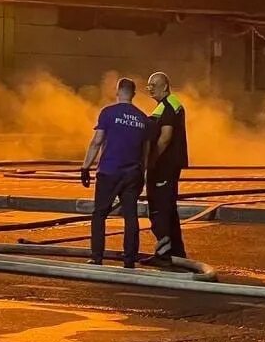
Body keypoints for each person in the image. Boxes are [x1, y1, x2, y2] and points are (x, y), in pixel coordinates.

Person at [80, 77, 149, 268]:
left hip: (109, 172)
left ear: (117, 91)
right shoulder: (143, 118)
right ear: (134, 94)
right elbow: (146, 152)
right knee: (130, 215)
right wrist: (142, 174)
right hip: (132, 173)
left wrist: (85, 167)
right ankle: (129, 259)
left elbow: (97, 141)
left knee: (100, 214)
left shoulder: (108, 113)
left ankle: (96, 256)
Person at [143, 71, 188, 267]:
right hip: (169, 166)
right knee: (169, 209)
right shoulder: (170, 105)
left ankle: (164, 254)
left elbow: (165, 137)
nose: (150, 88)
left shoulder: (168, 106)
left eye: (154, 84)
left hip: (163, 167)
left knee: (159, 209)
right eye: (148, 85)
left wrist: (151, 160)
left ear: (165, 86)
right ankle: (177, 252)